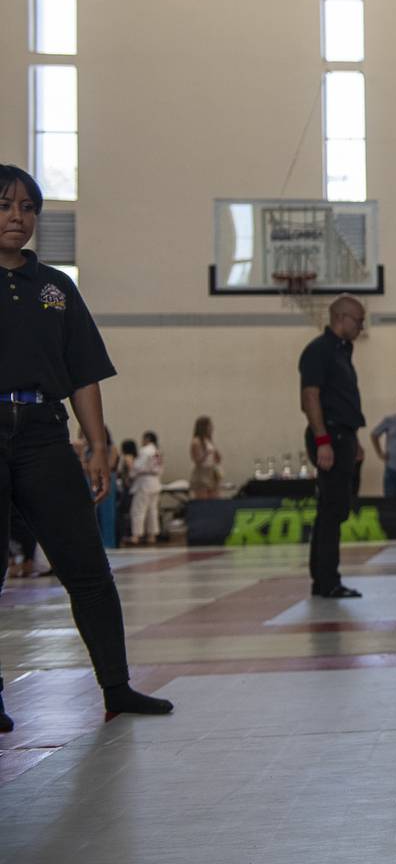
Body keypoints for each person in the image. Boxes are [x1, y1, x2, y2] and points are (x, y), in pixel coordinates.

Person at [0, 164, 173, 732]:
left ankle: (117, 686)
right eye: (5, 205)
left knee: (87, 566)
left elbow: (83, 374)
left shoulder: (55, 288)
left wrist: (98, 446)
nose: (17, 217)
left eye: (28, 208)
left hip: (44, 435)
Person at [298, 295, 367, 599]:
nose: (361, 327)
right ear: (341, 317)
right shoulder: (319, 350)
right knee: (331, 510)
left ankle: (323, 578)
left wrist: (355, 441)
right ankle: (327, 580)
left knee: (335, 509)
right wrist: (323, 440)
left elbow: (342, 400)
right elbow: (310, 397)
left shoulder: (342, 352)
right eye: (358, 321)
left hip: (343, 436)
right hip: (331, 437)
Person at [127, 431, 164, 545]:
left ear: (147, 439)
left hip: (144, 482)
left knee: (138, 509)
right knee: (152, 510)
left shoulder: (145, 450)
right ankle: (152, 536)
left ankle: (136, 536)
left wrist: (131, 470)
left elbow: (138, 466)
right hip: (155, 481)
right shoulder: (157, 451)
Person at [188, 415, 222, 499]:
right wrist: (206, 453)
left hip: (212, 472)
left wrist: (217, 455)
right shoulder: (196, 441)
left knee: (215, 497)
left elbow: (217, 458)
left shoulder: (209, 441)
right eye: (209, 426)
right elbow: (197, 460)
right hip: (201, 473)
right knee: (202, 499)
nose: (212, 428)